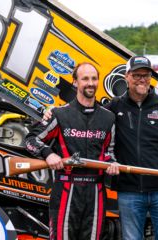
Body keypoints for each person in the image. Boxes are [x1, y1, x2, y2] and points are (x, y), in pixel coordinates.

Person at [43, 56, 158, 240]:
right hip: (129, 192)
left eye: (146, 75)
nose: (142, 79)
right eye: (137, 75)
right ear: (127, 77)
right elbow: (87, 111)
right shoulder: (114, 107)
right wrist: (50, 112)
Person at [25, 62, 119, 240]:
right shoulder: (59, 114)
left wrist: (112, 163)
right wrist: (48, 153)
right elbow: (30, 140)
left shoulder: (109, 118)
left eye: (94, 78)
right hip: (65, 190)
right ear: (75, 82)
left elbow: (110, 152)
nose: (90, 83)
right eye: (85, 78)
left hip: (96, 193)